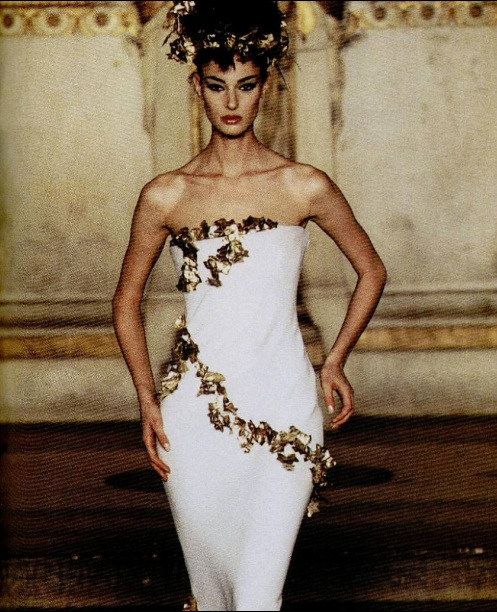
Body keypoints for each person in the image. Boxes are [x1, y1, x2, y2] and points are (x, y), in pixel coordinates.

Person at [112, 1, 388, 610]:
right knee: (215, 596)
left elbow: (371, 271)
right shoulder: (166, 195)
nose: (232, 102)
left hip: (286, 403)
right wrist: (147, 399)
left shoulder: (303, 185)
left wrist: (335, 361)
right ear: (197, 87)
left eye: (246, 84)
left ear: (267, 85)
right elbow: (125, 301)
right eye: (217, 86)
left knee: (259, 597)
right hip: (192, 419)